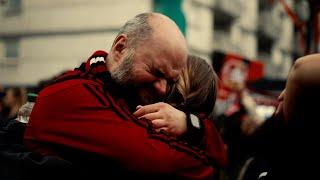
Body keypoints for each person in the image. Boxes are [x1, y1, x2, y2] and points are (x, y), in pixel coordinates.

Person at [21, 13, 225, 179]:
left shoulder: (126, 94)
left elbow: (219, 156)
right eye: (156, 71)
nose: (163, 89)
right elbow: (163, 163)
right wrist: (194, 129)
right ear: (120, 48)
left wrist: (190, 125)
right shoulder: (73, 95)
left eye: (171, 81)